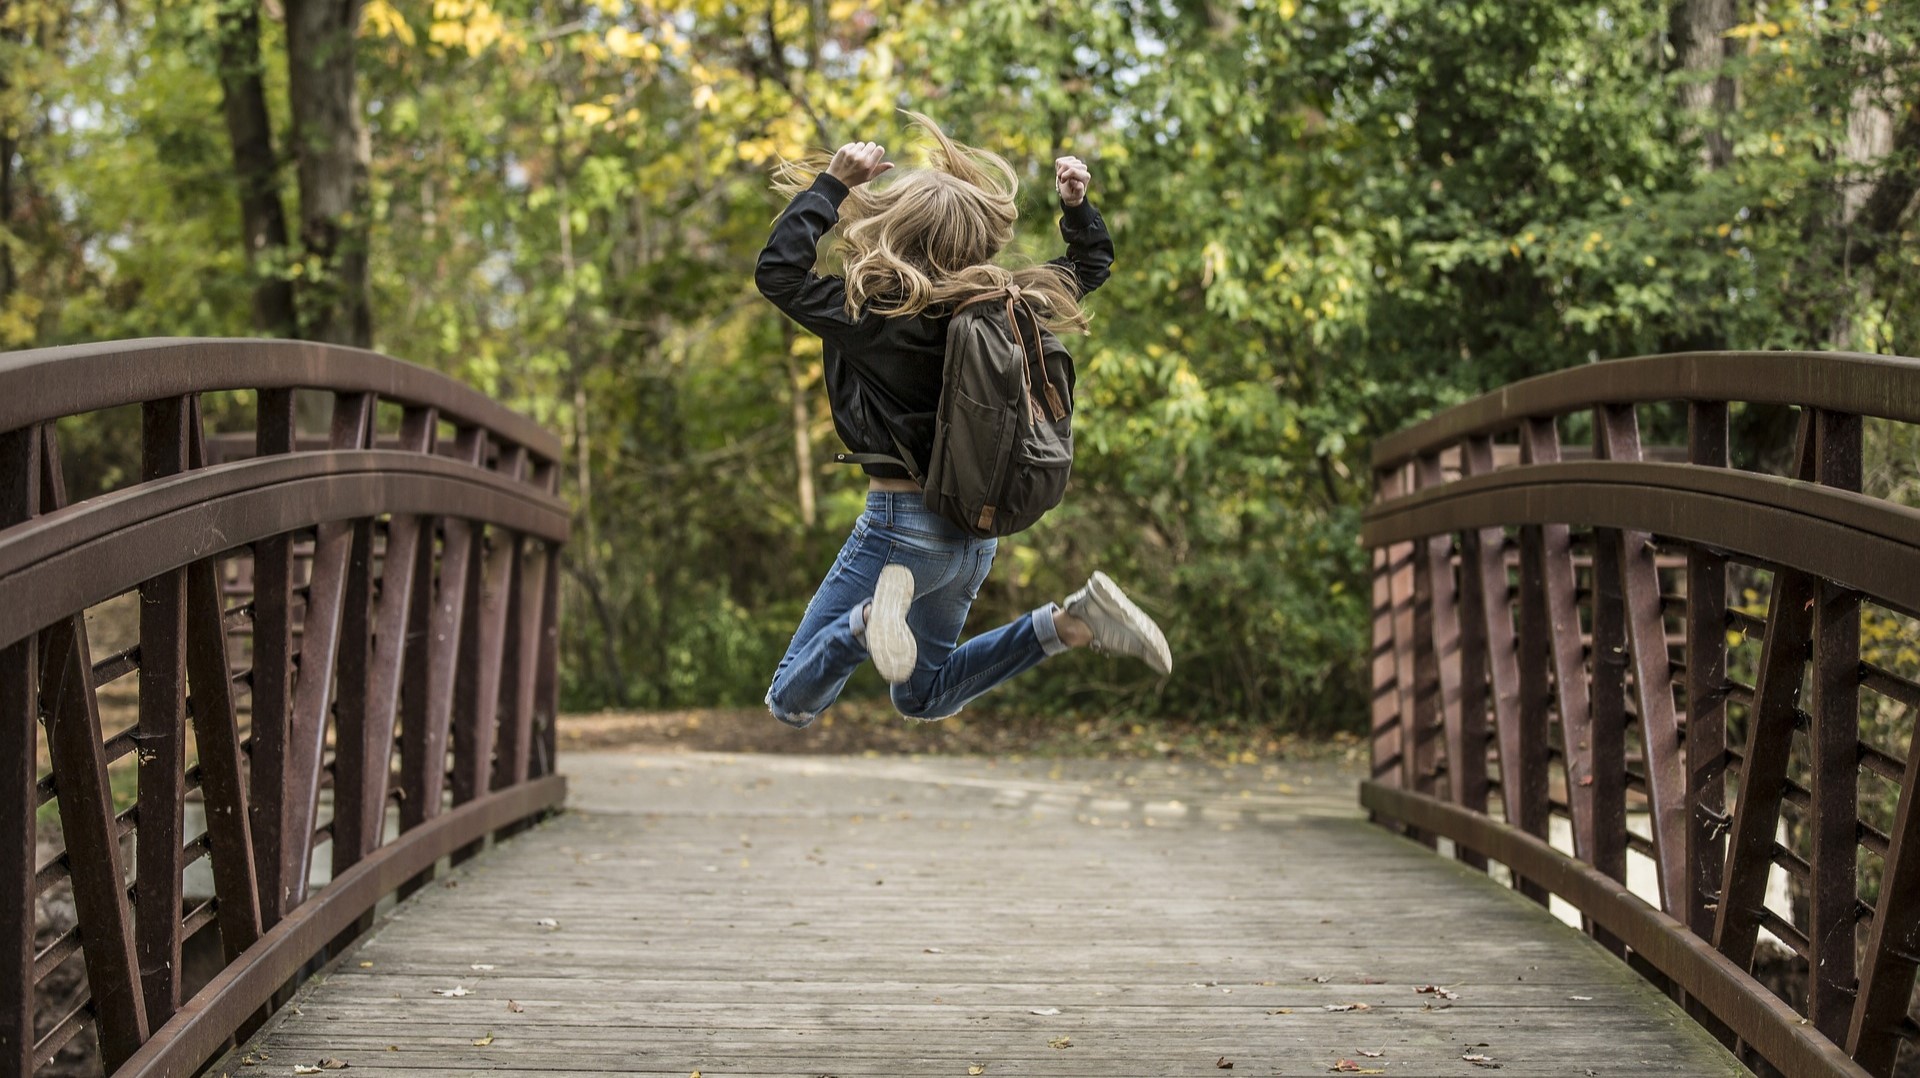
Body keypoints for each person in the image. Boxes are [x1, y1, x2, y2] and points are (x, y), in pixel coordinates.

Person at [754, 112, 1171, 729]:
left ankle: (868, 622)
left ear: (896, 227)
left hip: (899, 532)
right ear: (975, 237)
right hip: (972, 537)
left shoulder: (870, 312)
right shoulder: (1009, 305)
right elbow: (1088, 269)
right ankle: (1072, 623)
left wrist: (833, 186)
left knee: (790, 700)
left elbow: (778, 273)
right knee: (923, 695)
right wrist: (1077, 210)